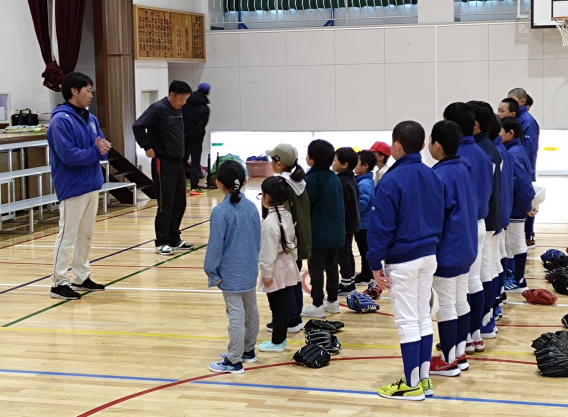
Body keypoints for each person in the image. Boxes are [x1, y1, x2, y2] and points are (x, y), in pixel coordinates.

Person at [368, 121, 444, 401]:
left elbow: (381, 227)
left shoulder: (391, 179)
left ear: (396, 145)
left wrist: (375, 263)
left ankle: (411, 386)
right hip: (429, 255)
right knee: (423, 316)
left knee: (408, 321)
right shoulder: (432, 174)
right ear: (423, 146)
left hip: (404, 260)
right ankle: (422, 381)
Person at [47, 72, 110, 300]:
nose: (91, 95)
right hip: (72, 185)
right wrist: (95, 150)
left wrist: (100, 148)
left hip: (91, 182)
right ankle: (58, 282)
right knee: (67, 235)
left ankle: (81, 276)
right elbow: (69, 155)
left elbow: (101, 143)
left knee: (86, 234)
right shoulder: (60, 121)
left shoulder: (90, 119)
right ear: (74, 91)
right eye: (88, 90)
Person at [428, 120, 478, 376]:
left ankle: (448, 360)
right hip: (466, 247)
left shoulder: (440, 174)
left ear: (437, 144)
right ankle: (458, 355)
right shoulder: (464, 168)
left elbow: (435, 216)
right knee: (460, 300)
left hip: (449, 249)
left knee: (447, 303)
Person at [443, 102, 492, 354]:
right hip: (480, 223)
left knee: (459, 289)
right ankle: (474, 336)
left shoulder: (459, 158)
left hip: (464, 227)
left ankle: (461, 342)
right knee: (474, 281)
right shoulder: (483, 153)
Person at [205, 161, 261, 373]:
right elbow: (257, 239)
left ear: (218, 183)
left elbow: (215, 247)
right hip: (249, 268)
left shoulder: (221, 212)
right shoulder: (252, 207)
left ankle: (234, 359)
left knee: (235, 313)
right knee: (251, 308)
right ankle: (248, 349)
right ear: (245, 181)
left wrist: (211, 271)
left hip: (230, 272)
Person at [133, 80, 194, 256]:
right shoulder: (158, 108)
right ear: (171, 95)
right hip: (163, 163)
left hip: (178, 163)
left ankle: (174, 238)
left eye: (185, 100)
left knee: (179, 203)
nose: (183, 103)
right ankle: (161, 242)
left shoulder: (179, 109)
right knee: (165, 204)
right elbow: (138, 126)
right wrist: (147, 147)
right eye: (181, 99)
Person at [467, 101, 503, 341]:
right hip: (493, 215)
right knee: (488, 268)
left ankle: (484, 323)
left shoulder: (482, 151)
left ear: (475, 124)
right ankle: (487, 320)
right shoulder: (490, 147)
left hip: (486, 218)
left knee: (482, 273)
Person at [265, 144, 311, 333]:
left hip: (287, 243)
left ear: (279, 163)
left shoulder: (281, 185)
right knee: (295, 278)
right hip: (299, 240)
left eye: (272, 159)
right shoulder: (299, 183)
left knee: (286, 283)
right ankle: (295, 317)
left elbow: (281, 217)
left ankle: (290, 320)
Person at [258, 177, 302, 352]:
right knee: (282, 305)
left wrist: (266, 273)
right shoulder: (287, 215)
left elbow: (267, 253)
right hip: (288, 264)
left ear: (267, 196)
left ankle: (278, 341)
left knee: (276, 306)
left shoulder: (269, 223)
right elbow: (293, 240)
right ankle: (280, 339)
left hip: (276, 267)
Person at [302, 139, 345, 318]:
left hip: (318, 235)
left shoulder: (312, 179)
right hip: (335, 234)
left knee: (316, 269)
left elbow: (307, 206)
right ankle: (333, 301)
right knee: (332, 268)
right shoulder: (334, 177)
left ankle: (317, 304)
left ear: (311, 158)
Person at [501, 117, 536, 293]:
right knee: (511, 242)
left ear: (510, 133)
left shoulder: (513, 153)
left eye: (500, 130)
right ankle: (513, 275)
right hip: (515, 204)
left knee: (516, 241)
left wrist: (527, 204)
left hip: (516, 205)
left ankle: (519, 279)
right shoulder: (516, 149)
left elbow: (522, 182)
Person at [488, 115, 513, 319]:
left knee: (491, 263)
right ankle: (499, 297)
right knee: (497, 258)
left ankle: (493, 305)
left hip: (495, 216)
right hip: (500, 214)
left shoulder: (493, 151)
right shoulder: (500, 150)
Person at [508, 88, 540, 248]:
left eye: (513, 99)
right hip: (518, 169)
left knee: (526, 200)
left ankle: (528, 235)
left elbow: (529, 149)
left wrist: (524, 171)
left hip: (524, 170)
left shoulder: (528, 120)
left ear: (522, 101)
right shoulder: (515, 118)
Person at [332, 147, 361, 296]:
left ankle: (346, 285)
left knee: (343, 254)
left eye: (335, 159)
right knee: (347, 252)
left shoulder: (342, 182)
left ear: (344, 164)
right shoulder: (351, 178)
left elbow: (341, 207)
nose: (333, 161)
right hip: (350, 224)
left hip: (344, 225)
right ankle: (349, 282)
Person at [353, 151, 377, 287]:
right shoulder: (364, 181)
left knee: (365, 251)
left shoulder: (364, 184)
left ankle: (367, 274)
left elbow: (362, 205)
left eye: (357, 162)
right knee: (364, 250)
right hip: (364, 224)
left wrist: (352, 205)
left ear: (366, 165)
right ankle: (365, 273)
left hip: (364, 225)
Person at [182, 82, 210, 195]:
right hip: (196, 139)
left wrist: (184, 134)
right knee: (195, 161)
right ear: (207, 93)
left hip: (183, 136)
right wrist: (193, 134)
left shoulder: (185, 103)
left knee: (182, 160)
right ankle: (194, 186)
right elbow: (200, 126)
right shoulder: (205, 108)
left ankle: (182, 182)